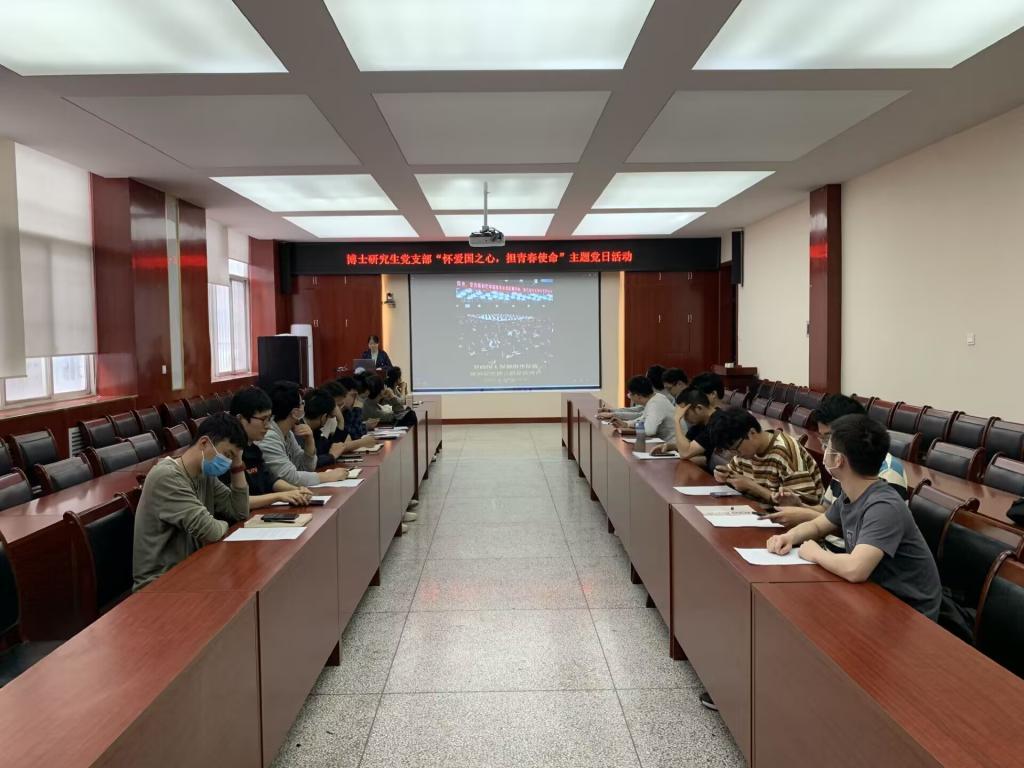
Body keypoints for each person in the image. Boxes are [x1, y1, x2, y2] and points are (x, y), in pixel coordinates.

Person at [766, 415, 941, 620]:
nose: (823, 450)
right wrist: (788, 537)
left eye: (827, 446)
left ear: (838, 460)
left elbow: (856, 569)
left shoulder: (884, 506)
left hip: (910, 612)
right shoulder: (852, 493)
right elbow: (818, 526)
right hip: (874, 594)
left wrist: (815, 553)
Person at [132, 413, 250, 590]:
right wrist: (224, 524)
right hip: (159, 584)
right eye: (227, 454)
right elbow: (211, 531)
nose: (227, 462)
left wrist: (237, 464)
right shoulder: (167, 477)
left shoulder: (204, 475)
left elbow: (239, 511)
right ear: (204, 443)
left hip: (192, 570)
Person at [767, 394, 909, 527]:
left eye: (829, 438)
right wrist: (799, 505)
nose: (825, 446)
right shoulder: (842, 461)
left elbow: (862, 530)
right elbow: (827, 510)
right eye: (822, 438)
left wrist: (806, 516)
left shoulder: (887, 473)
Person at [707, 407, 824, 504]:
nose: (735, 455)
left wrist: (752, 487)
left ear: (752, 433)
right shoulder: (745, 451)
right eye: (730, 451)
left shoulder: (785, 452)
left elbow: (802, 506)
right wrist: (723, 475)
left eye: (736, 449)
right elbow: (732, 474)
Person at [224, 386, 313, 509]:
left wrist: (295, 490)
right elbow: (236, 501)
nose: (269, 426)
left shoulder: (254, 449)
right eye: (263, 419)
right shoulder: (225, 455)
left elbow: (270, 480)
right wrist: (279, 496)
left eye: (269, 419)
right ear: (240, 419)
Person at [257, 381, 351, 488]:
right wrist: (327, 476)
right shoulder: (269, 436)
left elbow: (306, 468)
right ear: (295, 412)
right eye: (302, 403)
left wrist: (309, 442)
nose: (304, 407)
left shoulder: (288, 432)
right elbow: (290, 477)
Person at [307, 385, 376, 465]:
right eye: (338, 405)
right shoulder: (319, 422)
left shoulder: (335, 416)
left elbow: (340, 443)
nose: (339, 409)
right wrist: (361, 442)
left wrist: (341, 421)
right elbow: (331, 450)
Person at [651, 386, 720, 460]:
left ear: (699, 408)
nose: (684, 418)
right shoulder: (701, 423)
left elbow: (685, 453)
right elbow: (688, 445)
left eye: (685, 413)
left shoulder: (718, 423)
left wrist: (677, 420)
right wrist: (669, 447)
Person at [612, 375, 676, 442]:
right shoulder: (654, 399)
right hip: (664, 441)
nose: (629, 396)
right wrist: (626, 424)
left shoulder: (656, 404)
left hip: (673, 444)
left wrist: (629, 426)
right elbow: (643, 419)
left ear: (637, 395)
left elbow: (649, 431)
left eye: (630, 394)